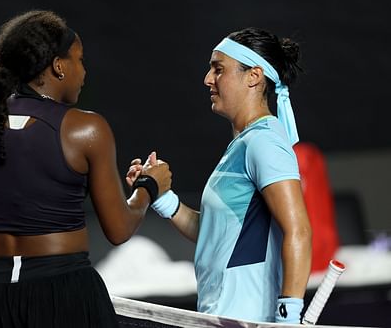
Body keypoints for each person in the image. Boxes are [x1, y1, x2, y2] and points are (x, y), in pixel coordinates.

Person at [0, 10, 172, 328]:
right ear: (58, 65)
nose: (83, 72)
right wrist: (149, 187)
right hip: (68, 294)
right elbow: (119, 229)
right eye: (79, 60)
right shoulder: (87, 128)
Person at [127, 27, 312, 323]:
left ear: (253, 76)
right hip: (220, 314)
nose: (208, 79)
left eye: (218, 69)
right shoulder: (245, 143)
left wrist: (287, 317)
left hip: (245, 317)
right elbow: (214, 232)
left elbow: (298, 230)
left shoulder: (265, 142)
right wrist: (162, 197)